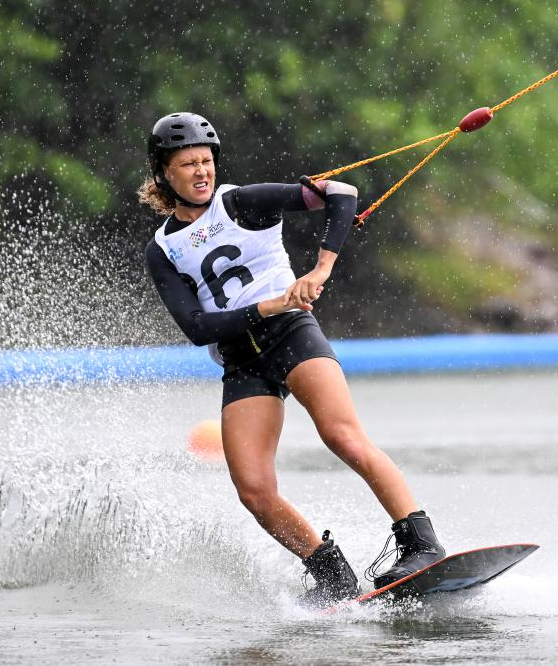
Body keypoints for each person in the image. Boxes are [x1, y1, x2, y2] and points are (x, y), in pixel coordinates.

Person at [138, 112, 445, 606]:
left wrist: (320, 270)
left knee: (342, 436)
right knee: (254, 490)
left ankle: (421, 544)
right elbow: (196, 328)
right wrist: (271, 303)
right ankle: (332, 574)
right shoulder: (162, 250)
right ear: (163, 173)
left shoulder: (241, 202)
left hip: (292, 334)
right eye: (188, 163)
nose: (202, 171)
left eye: (206, 160)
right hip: (242, 359)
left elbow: (341, 193)